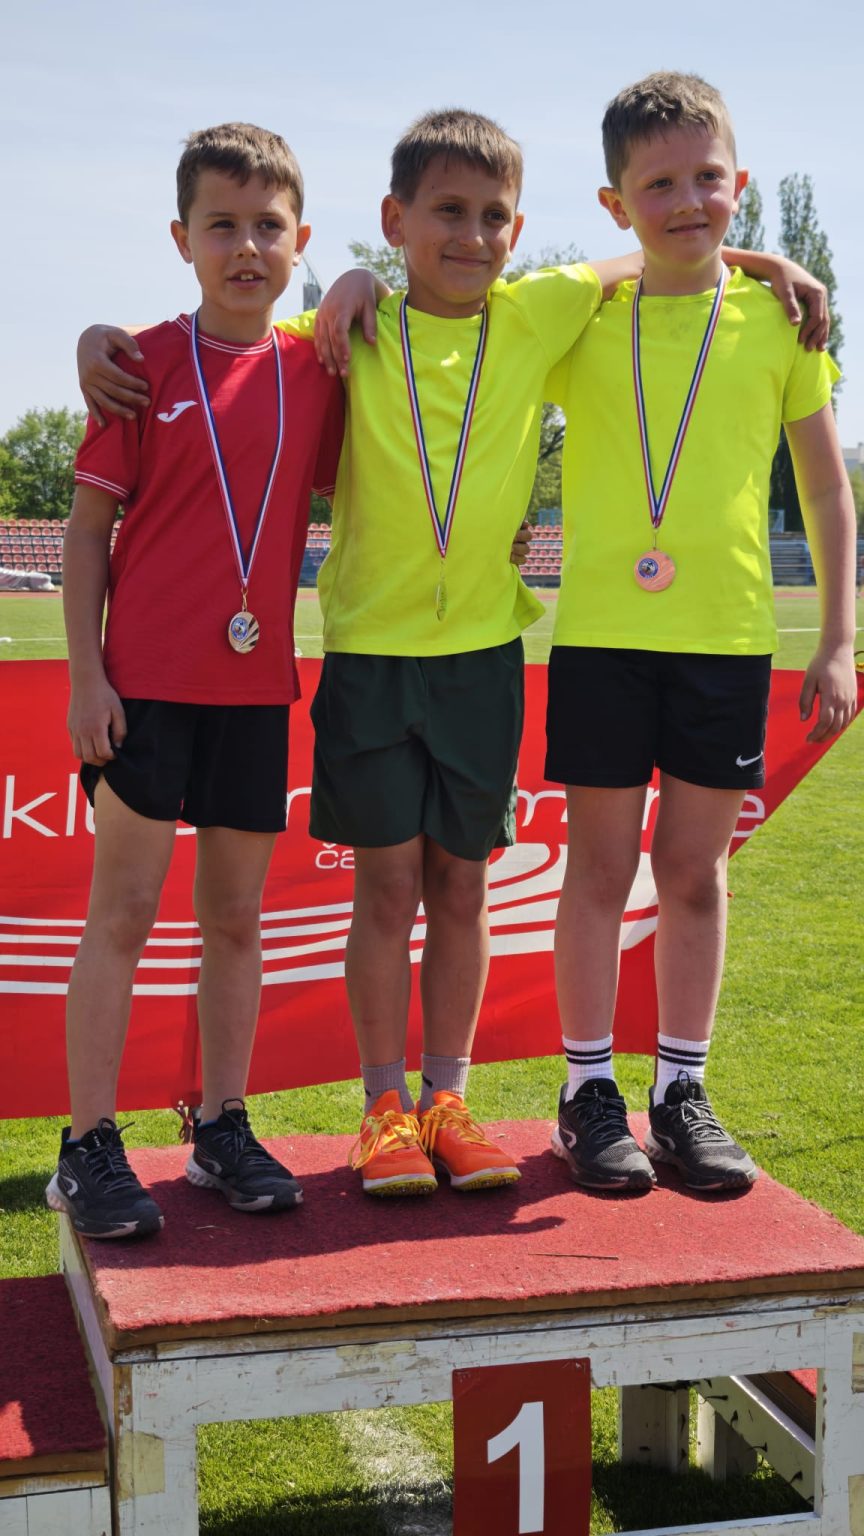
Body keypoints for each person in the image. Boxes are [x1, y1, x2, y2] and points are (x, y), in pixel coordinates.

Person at [79, 109, 827, 1206]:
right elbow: (230, 336)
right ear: (394, 223)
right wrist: (103, 340)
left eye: (491, 217)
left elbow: (661, 246)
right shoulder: (343, 332)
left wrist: (766, 258)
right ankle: (383, 1109)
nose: (471, 236)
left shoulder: (539, 310)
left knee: (463, 887)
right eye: (446, 213)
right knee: (384, 889)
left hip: (483, 654)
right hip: (371, 655)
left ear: (517, 229)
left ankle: (448, 1099)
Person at [543, 72, 857, 1194]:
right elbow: (465, 302)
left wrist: (836, 637)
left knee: (693, 870)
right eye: (657, 186)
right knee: (598, 866)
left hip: (725, 640)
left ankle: (681, 1091)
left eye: (707, 179)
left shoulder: (780, 323)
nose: (687, 202)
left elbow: (826, 490)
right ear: (615, 202)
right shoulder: (583, 318)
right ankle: (587, 1092)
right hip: (601, 635)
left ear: (741, 182)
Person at [46, 122, 344, 1239]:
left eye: (269, 226)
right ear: (182, 239)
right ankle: (87, 1143)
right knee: (123, 913)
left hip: (256, 692)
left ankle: (221, 1124)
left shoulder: (317, 370)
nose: (246, 247)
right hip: (145, 692)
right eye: (222, 226)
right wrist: (87, 678)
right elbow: (87, 534)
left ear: (301, 239)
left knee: (235, 919)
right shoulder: (138, 365)